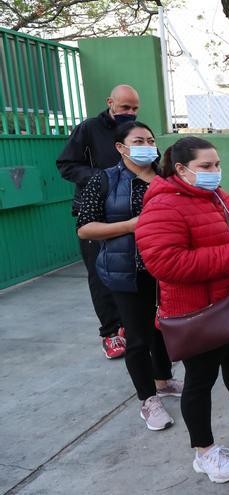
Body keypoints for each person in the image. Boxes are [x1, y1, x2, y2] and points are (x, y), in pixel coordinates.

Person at [135, 137, 229, 484]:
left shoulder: (217, 196)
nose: (215, 172)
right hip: (199, 312)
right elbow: (164, 262)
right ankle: (204, 452)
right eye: (206, 166)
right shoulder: (163, 207)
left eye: (217, 165)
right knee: (199, 382)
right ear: (181, 169)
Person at [76, 121, 182, 431]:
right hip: (127, 270)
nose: (147, 145)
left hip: (168, 269)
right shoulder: (104, 181)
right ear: (121, 147)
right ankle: (148, 400)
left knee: (164, 329)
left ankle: (163, 380)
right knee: (137, 338)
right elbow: (85, 228)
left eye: (150, 140)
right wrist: (133, 224)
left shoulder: (166, 178)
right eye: (139, 141)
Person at [57, 84, 142, 359]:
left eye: (134, 108)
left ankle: (130, 326)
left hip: (129, 212)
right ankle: (110, 332)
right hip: (96, 213)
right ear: (110, 102)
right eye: (125, 107)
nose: (129, 113)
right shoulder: (89, 129)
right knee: (100, 274)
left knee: (131, 271)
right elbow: (66, 164)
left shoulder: (136, 131)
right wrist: (100, 180)